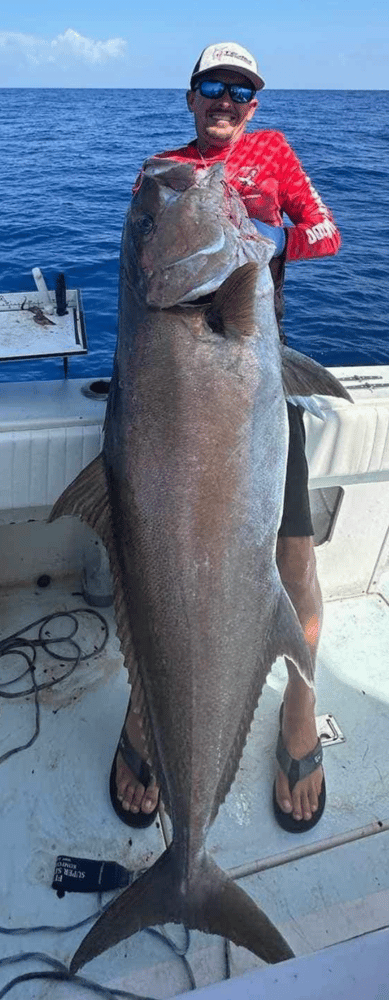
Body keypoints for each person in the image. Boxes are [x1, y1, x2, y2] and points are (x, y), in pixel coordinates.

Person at [110, 42, 341, 835]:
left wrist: (267, 239)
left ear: (254, 103)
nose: (225, 101)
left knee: (295, 559)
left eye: (240, 91)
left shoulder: (274, 151)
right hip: (178, 393)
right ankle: (150, 709)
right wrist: (199, 216)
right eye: (212, 87)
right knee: (155, 560)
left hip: (254, 387)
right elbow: (146, 247)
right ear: (189, 96)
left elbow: (325, 236)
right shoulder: (162, 168)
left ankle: (299, 711)